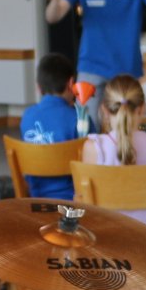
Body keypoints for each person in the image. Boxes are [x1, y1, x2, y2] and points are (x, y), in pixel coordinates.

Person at [79, 73, 146, 238]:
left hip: (110, 243)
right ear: (141, 109)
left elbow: (84, 205)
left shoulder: (94, 148)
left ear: (104, 110)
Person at [19, 52, 86, 200]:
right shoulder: (80, 118)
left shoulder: (27, 116)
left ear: (38, 87)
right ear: (71, 84)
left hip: (36, 202)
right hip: (73, 204)